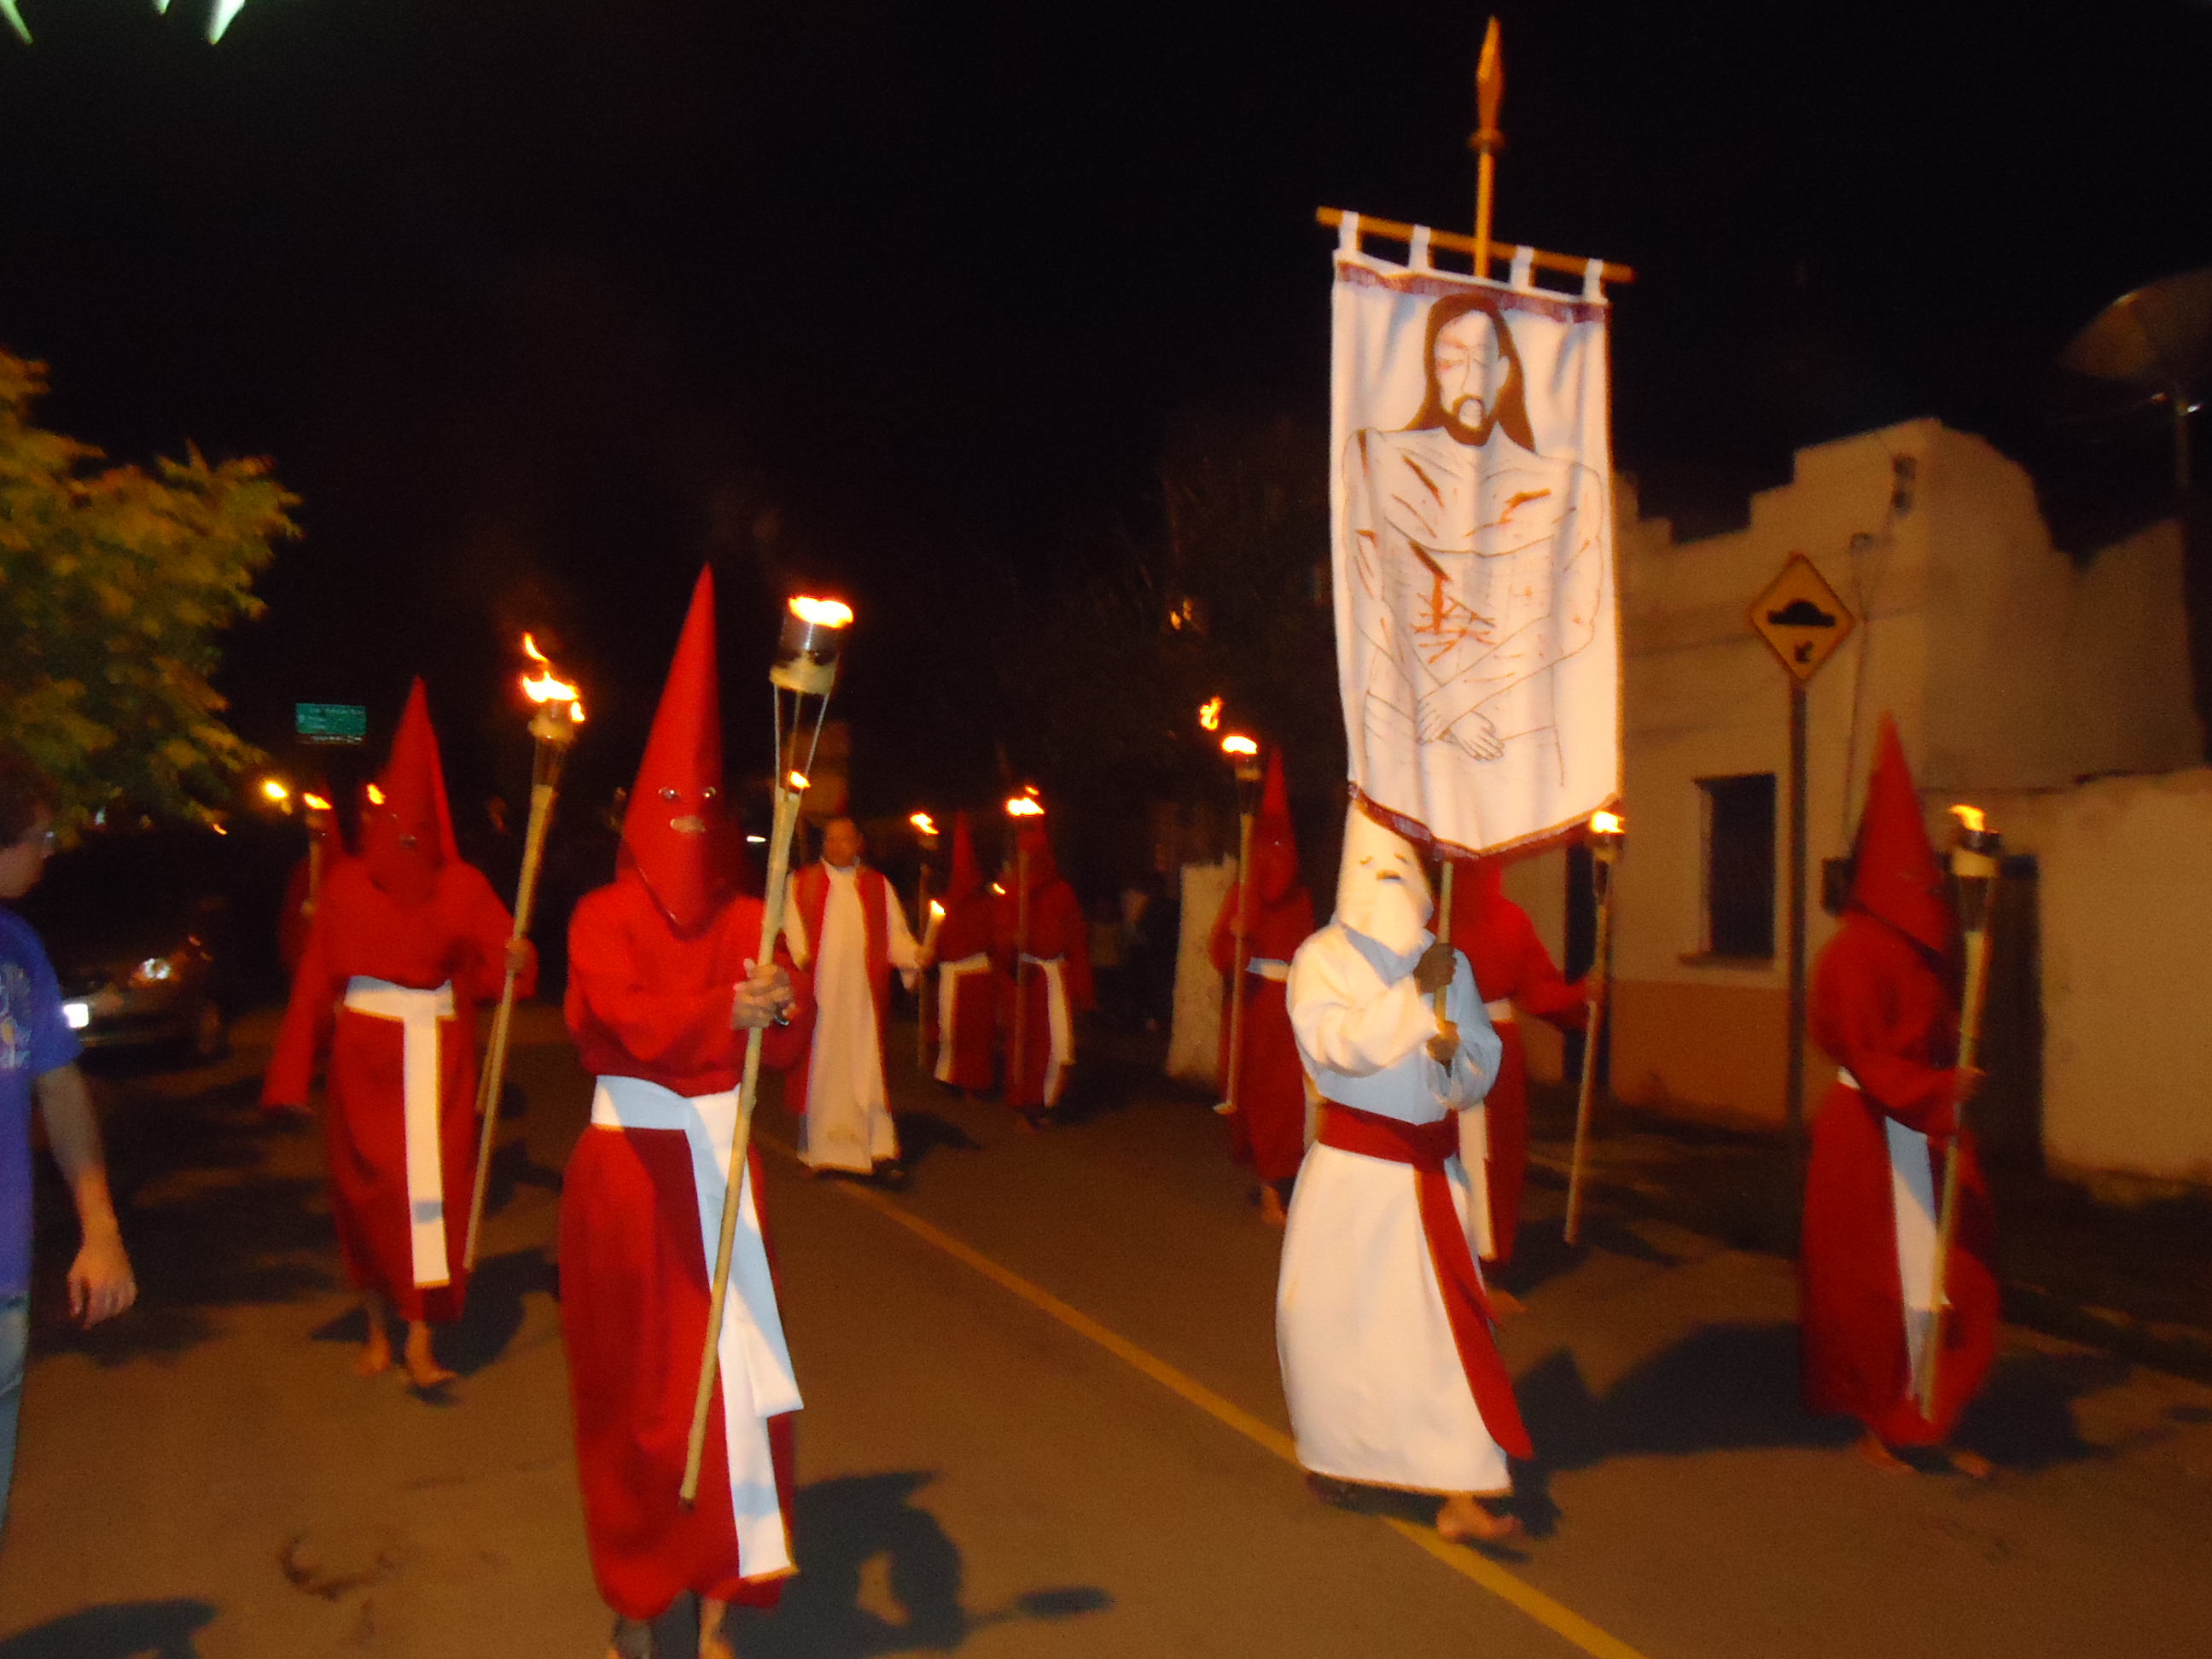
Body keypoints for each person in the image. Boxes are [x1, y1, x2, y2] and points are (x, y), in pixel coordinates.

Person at [561, 567, 817, 1659]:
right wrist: (725, 1010)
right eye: (670, 806)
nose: (687, 828)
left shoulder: (754, 916)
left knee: (732, 1390)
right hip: (630, 1187)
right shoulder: (600, 916)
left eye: (703, 809)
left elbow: (787, 1032)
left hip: (722, 1167)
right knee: (636, 1400)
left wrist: (779, 1002)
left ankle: (718, 1594)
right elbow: (622, 1018)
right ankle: (637, 1584)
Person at [264, 682, 533, 1390]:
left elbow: (504, 964)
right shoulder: (348, 886)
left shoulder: (463, 885)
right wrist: (291, 1073)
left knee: (430, 1196)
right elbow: (315, 979)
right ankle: (378, 1326)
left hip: (438, 1063)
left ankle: (420, 1337)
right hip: (366, 1065)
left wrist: (515, 959)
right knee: (367, 1195)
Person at [1278, 805, 1528, 1543]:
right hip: (1351, 1177)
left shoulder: (1449, 961)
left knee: (1441, 1330)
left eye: (1399, 868)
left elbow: (1479, 1063)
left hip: (1427, 1175)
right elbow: (1337, 1046)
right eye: (1373, 867)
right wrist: (1415, 998)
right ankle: (1342, 1455)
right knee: (1336, 1325)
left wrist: (1453, 1058)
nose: (1387, 880)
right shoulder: (1321, 958)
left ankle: (1461, 1490)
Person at [1802, 717, 1997, 1478]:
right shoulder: (1852, 956)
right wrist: (1941, 1088)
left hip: (1923, 1126)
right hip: (1870, 1131)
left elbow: (1937, 1037)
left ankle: (1931, 1413)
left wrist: (1952, 1072)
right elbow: (1868, 1054)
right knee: (1877, 1284)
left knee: (1946, 1275)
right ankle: (1881, 1419)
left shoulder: (1922, 957)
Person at [1342, 291, 1605, 778]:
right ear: (1433, 374)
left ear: (1505, 372)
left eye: (1481, 361)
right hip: (1404, 724)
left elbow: (1573, 617)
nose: (1468, 379)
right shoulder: (1378, 459)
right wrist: (1437, 697)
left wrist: (1461, 696)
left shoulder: (1568, 487)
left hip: (1514, 736)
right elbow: (1369, 593)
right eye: (1451, 362)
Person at [0, 749, 137, 1534]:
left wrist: (100, 1229)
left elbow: (59, 1090)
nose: (50, 851)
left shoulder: (19, 950)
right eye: (39, 837)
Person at [1444, 851, 1589, 1280]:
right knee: (1467, 1154)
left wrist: (1582, 997)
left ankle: (1483, 1264)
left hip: (1482, 1051)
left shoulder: (1501, 920)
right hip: (1460, 1047)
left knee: (1495, 1155)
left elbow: (1538, 988)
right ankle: (1467, 1264)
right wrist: (1581, 996)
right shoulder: (1439, 920)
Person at [781, 817, 923, 1183]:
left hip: (863, 999)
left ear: (858, 842)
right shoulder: (802, 883)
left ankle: (879, 1149)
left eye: (844, 840)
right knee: (821, 1067)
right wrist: (800, 962)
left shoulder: (878, 886)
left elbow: (895, 934)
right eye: (830, 840)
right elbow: (792, 930)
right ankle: (818, 1151)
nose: (836, 846)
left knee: (866, 1068)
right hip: (821, 996)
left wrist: (913, 955)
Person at [1208, 754, 1316, 1227]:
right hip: (1256, 1007)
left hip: (1291, 1010)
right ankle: (1272, 1186)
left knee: (1291, 1101)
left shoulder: (1299, 898)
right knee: (1262, 1097)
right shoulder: (1244, 891)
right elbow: (1221, 951)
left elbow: (1309, 951)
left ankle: (1282, 1183)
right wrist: (1237, 938)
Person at [992, 818, 1092, 1126]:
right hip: (1026, 978)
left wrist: (1081, 987)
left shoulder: (1063, 892)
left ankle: (1048, 1100)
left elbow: (1076, 940)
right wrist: (1013, 941)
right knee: (1026, 1045)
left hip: (1054, 977)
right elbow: (999, 937)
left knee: (1059, 1047)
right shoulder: (1014, 893)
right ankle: (1028, 1104)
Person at [930, 812, 997, 1096]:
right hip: (956, 975)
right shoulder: (944, 906)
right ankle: (951, 1077)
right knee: (951, 1031)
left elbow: (996, 939)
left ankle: (974, 1083)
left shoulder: (986, 906)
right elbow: (934, 943)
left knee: (976, 1034)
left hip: (978, 976)